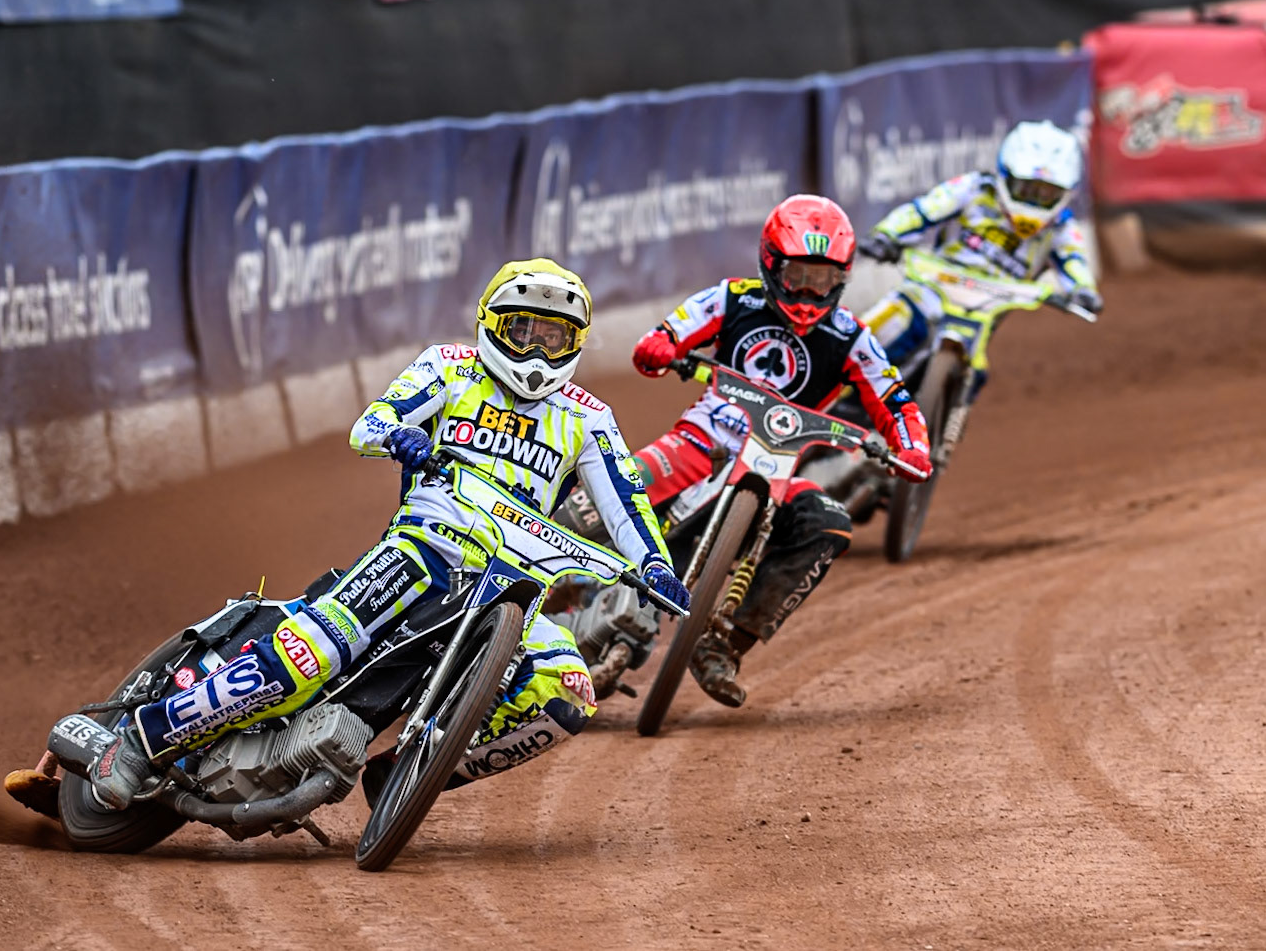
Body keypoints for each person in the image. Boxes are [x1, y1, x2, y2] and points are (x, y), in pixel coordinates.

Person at [80, 258, 690, 810]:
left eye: (551, 336)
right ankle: (139, 741)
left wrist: (658, 568)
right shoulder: (450, 368)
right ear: (490, 325)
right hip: (422, 551)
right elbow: (371, 421)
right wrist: (401, 435)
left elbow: (627, 505)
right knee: (307, 656)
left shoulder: (589, 418)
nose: (534, 349)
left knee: (569, 694)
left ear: (574, 342)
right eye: (521, 330)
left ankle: (409, 769)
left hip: (517, 582)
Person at [626, 194, 933, 708]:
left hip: (778, 469)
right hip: (703, 441)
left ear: (844, 279)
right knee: (609, 485)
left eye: (826, 279)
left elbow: (895, 399)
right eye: (799, 276)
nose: (812, 292)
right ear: (771, 264)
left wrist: (914, 444)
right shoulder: (732, 300)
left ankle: (723, 641)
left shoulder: (852, 337)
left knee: (829, 524)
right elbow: (669, 333)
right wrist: (659, 345)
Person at [855, 119, 1103, 366]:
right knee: (882, 326)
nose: (1034, 201)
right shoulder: (974, 189)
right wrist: (886, 235)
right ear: (1005, 175)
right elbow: (922, 211)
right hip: (929, 290)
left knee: (976, 370)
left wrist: (1083, 290)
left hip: (982, 314)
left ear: (1065, 194)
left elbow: (1074, 259)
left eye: (1047, 194)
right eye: (1026, 189)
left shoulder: (1060, 227)